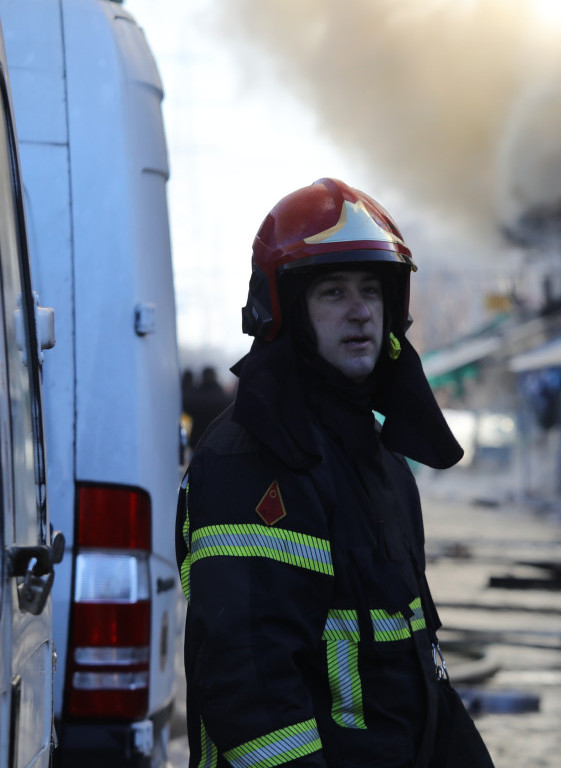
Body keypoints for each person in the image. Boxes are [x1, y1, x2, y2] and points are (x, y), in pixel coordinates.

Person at [177, 178, 494, 767]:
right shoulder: (253, 460)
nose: (360, 312)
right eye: (333, 292)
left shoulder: (380, 460)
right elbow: (253, 692)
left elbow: (422, 666)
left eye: (371, 291)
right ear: (288, 309)